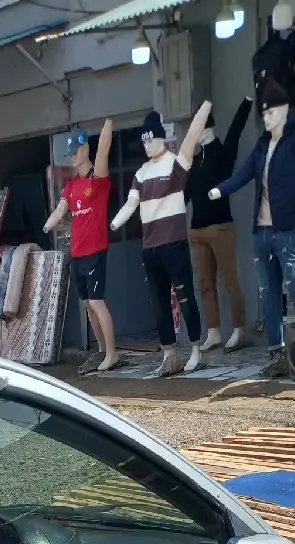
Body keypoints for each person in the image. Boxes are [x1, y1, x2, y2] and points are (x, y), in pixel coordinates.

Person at [210, 68, 295, 378]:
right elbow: (243, 174)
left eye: (271, 111)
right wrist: (221, 189)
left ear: (284, 111)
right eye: (263, 112)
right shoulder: (260, 147)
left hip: (289, 229)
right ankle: (276, 353)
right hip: (262, 231)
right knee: (269, 294)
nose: (266, 117)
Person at [111, 102, 213, 378]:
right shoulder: (140, 173)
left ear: (161, 138)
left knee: (185, 297)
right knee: (158, 303)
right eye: (144, 141)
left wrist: (203, 111)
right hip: (150, 247)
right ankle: (169, 354)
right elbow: (131, 203)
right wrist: (116, 221)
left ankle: (195, 350)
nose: (147, 146)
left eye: (151, 139)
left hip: (174, 244)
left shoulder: (175, 165)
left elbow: (191, 139)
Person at [44, 120, 119, 374]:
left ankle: (112, 354)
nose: (72, 158)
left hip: (96, 251)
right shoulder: (71, 185)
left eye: (75, 152)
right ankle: (100, 351)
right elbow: (60, 209)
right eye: (69, 154)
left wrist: (109, 121)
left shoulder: (97, 180)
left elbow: (104, 151)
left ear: (85, 149)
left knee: (98, 302)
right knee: (88, 306)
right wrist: (48, 225)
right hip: (77, 254)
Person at [187, 97, 254, 352]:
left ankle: (238, 329)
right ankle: (213, 331)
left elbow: (235, 130)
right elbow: (185, 194)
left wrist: (246, 103)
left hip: (220, 226)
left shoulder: (223, 152)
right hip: (197, 229)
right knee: (204, 282)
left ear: (206, 128)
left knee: (229, 279)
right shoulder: (194, 160)